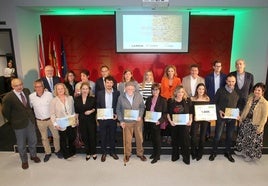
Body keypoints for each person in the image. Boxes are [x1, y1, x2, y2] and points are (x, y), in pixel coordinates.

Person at [2, 78, 40, 169]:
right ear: (12, 86)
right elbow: (5, 112)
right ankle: (24, 161)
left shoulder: (26, 91)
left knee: (33, 140)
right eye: (16, 85)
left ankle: (33, 155)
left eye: (20, 84)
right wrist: (13, 121)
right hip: (18, 124)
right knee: (21, 144)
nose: (19, 87)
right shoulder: (8, 97)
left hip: (30, 121)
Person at [29, 79, 63, 162]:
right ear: (34, 88)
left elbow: (54, 106)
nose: (39, 88)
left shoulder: (49, 94)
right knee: (44, 138)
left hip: (51, 119)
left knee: (56, 136)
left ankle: (57, 150)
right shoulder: (31, 96)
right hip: (40, 121)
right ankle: (48, 153)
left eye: (40, 86)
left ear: (43, 87)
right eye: (36, 87)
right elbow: (30, 108)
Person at [209, 74, 239, 163]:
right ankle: (214, 152)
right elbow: (214, 102)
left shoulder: (237, 91)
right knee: (217, 136)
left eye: (233, 81)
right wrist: (219, 111)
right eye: (229, 81)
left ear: (235, 82)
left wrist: (238, 112)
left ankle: (227, 152)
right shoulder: (220, 90)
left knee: (229, 136)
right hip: (221, 116)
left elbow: (240, 103)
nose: (231, 83)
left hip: (232, 117)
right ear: (226, 81)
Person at [234, 82, 268, 161]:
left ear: (262, 92)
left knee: (252, 140)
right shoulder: (251, 97)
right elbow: (246, 109)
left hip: (255, 123)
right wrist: (241, 118)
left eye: (259, 90)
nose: (256, 91)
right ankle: (242, 151)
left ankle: (249, 155)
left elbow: (264, 117)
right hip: (246, 121)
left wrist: (261, 127)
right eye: (255, 89)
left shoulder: (265, 103)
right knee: (243, 137)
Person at [116, 81, 146, 162]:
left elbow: (142, 107)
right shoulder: (121, 97)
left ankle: (140, 154)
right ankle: (127, 154)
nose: (130, 90)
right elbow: (118, 109)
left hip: (137, 121)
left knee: (139, 138)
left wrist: (140, 115)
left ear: (134, 89)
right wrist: (121, 121)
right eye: (128, 88)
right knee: (127, 139)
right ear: (125, 89)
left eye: (132, 89)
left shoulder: (138, 95)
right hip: (126, 121)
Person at [50, 83, 77, 160]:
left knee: (72, 137)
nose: (60, 90)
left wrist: (75, 119)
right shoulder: (53, 101)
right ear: (56, 90)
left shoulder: (70, 98)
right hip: (61, 123)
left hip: (71, 121)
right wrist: (55, 123)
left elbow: (73, 110)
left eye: (62, 88)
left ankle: (72, 152)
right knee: (63, 139)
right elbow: (52, 114)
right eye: (58, 89)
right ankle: (66, 155)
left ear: (65, 89)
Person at [96, 76, 120, 162]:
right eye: (107, 82)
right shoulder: (100, 93)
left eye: (111, 83)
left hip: (113, 118)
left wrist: (117, 115)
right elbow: (98, 105)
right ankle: (104, 152)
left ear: (113, 84)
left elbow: (118, 105)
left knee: (112, 136)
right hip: (103, 118)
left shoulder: (117, 93)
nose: (109, 84)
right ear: (105, 83)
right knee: (103, 136)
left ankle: (112, 152)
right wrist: (99, 116)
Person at [167, 85, 193, 165]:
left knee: (185, 141)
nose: (180, 93)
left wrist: (190, 120)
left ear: (184, 92)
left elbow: (191, 112)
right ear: (175, 92)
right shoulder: (170, 101)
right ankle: (175, 156)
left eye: (182, 92)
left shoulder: (187, 100)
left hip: (184, 124)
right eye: (178, 92)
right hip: (174, 124)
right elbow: (168, 113)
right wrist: (170, 121)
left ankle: (186, 157)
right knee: (175, 140)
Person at [145, 83, 167, 164]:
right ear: (151, 91)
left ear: (159, 90)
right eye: (153, 90)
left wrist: (160, 121)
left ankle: (157, 156)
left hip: (158, 122)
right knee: (153, 139)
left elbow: (165, 113)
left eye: (156, 89)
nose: (155, 91)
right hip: (150, 121)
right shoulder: (148, 99)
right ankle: (154, 153)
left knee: (157, 139)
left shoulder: (163, 100)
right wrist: (145, 116)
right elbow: (146, 110)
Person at [74, 82, 97, 161]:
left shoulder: (92, 98)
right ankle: (87, 153)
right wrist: (77, 120)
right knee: (85, 137)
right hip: (82, 120)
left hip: (91, 120)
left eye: (86, 89)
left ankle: (93, 152)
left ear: (89, 90)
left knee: (92, 136)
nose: (85, 90)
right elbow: (76, 111)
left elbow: (95, 108)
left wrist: (91, 111)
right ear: (80, 89)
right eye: (83, 89)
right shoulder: (76, 99)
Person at [205, 60, 227, 139]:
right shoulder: (208, 77)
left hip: (220, 101)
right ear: (213, 67)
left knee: (219, 119)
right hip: (210, 99)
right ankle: (207, 134)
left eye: (220, 66)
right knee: (208, 118)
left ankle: (217, 136)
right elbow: (206, 88)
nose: (218, 68)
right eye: (216, 66)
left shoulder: (225, 77)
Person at [160, 65, 181, 144]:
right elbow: (162, 91)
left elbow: (179, 90)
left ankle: (172, 136)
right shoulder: (163, 79)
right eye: (169, 71)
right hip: (165, 100)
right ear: (167, 72)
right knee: (165, 118)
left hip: (173, 101)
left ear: (174, 72)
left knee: (172, 118)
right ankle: (165, 135)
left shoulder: (178, 80)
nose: (170, 72)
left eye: (172, 71)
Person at [190, 83, 210, 161]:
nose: (201, 90)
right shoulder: (192, 98)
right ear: (197, 90)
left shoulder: (207, 98)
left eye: (202, 89)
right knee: (194, 136)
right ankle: (193, 152)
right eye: (199, 89)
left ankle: (200, 153)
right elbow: (191, 110)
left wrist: (209, 117)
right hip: (195, 119)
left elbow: (208, 110)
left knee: (202, 137)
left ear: (204, 90)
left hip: (204, 119)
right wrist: (191, 118)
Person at [139, 70, 155, 141]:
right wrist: (143, 104)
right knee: (145, 120)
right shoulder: (141, 85)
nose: (148, 76)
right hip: (143, 105)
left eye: (150, 75)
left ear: (152, 76)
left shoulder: (154, 85)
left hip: (152, 105)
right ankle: (145, 134)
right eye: (147, 75)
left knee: (151, 120)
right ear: (145, 76)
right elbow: (140, 96)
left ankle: (151, 134)